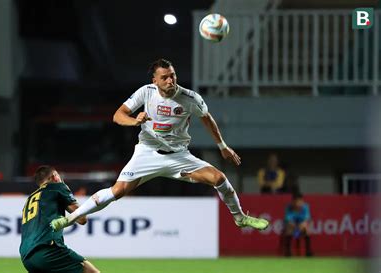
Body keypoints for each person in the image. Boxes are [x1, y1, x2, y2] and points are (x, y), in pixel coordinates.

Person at [50, 58, 269, 231]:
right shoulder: (146, 92)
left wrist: (222, 146)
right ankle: (71, 219)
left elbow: (207, 118)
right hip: (147, 153)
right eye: (164, 77)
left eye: (173, 76)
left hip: (178, 156)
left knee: (219, 178)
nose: (170, 81)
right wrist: (135, 121)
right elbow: (118, 115)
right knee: (117, 191)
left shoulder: (190, 98)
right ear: (155, 80)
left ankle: (240, 218)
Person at [20, 165, 100, 273]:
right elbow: (82, 219)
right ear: (55, 176)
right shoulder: (57, 187)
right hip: (47, 250)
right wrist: (64, 187)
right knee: (91, 271)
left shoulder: (30, 199)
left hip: (26, 257)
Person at [282, 192, 313, 257]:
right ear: (293, 201)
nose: (297, 204)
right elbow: (288, 219)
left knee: (306, 228)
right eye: (295, 202)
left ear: (302, 201)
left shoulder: (305, 207)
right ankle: (288, 252)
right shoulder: (289, 207)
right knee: (288, 228)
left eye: (299, 202)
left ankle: (308, 251)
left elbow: (306, 219)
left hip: (302, 226)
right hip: (293, 226)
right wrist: (295, 227)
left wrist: (301, 226)